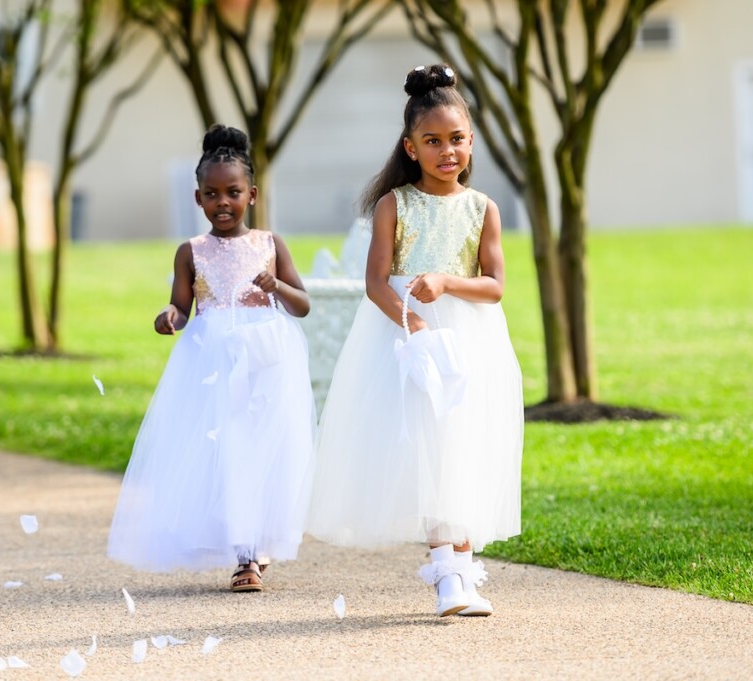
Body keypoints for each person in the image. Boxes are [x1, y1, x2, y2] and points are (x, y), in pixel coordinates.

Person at [305, 65, 524, 617]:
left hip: (472, 339)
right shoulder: (394, 206)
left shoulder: (483, 210)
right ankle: (446, 575)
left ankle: (465, 570)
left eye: (456, 140)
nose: (446, 151)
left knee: (465, 444)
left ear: (471, 142)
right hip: (409, 337)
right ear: (411, 146)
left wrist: (448, 281)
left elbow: (495, 286)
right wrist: (415, 319)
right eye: (433, 141)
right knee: (430, 445)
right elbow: (375, 281)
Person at [107, 124, 316, 593]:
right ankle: (244, 556)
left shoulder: (270, 244)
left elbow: (302, 304)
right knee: (228, 448)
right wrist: (169, 316)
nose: (223, 203)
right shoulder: (191, 252)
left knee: (265, 448)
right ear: (198, 199)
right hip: (213, 363)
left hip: (267, 359)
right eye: (212, 194)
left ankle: (257, 548)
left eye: (233, 193)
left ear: (253, 195)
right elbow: (182, 306)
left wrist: (276, 285)